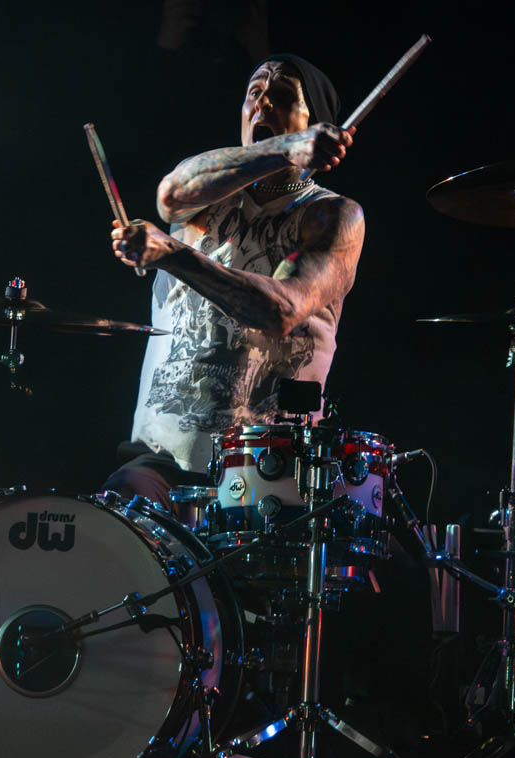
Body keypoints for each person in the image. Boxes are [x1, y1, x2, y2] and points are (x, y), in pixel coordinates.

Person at [102, 53, 364, 505]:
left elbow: (280, 310)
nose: (262, 105)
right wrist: (284, 148)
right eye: (254, 93)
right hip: (160, 463)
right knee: (117, 512)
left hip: (271, 467)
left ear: (317, 125)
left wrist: (174, 255)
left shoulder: (333, 214)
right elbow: (170, 195)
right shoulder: (208, 189)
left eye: (282, 96)